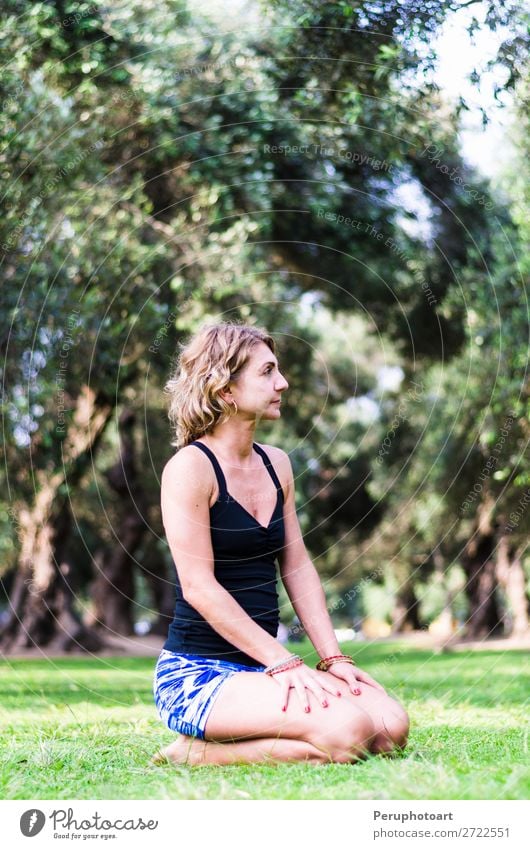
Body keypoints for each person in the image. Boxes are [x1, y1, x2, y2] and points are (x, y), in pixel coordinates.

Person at [152, 321, 409, 766]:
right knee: (348, 735)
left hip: (261, 671)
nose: (282, 383)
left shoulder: (277, 465)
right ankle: (190, 753)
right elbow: (198, 586)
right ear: (225, 389)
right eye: (267, 372)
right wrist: (284, 661)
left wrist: (333, 660)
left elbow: (296, 564)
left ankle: (243, 741)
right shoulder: (190, 469)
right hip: (198, 675)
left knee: (389, 728)